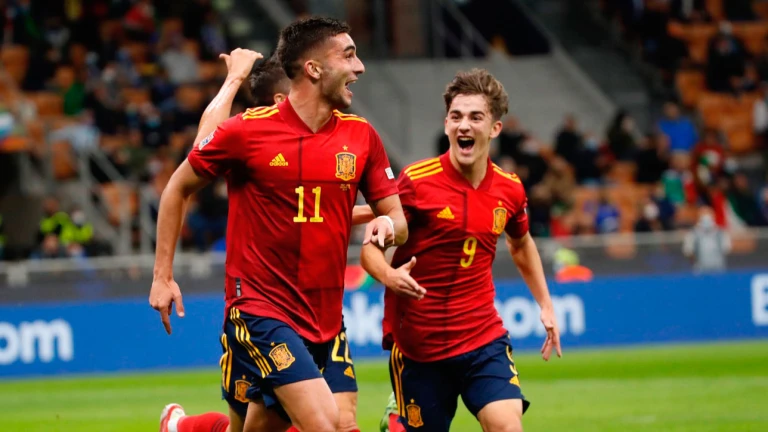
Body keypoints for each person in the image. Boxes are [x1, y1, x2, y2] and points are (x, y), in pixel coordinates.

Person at [150, 16, 407, 432]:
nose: (359, 67)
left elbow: (395, 216)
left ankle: (179, 427)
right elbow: (177, 187)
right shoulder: (247, 132)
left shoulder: (361, 137)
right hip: (260, 309)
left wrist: (389, 228)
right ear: (314, 69)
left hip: (323, 317)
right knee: (329, 423)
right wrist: (162, 276)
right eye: (348, 56)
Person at [355, 69, 562, 432]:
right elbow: (369, 249)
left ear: (495, 128)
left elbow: (521, 243)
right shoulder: (417, 182)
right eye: (456, 116)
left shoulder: (510, 189)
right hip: (420, 349)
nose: (464, 125)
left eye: (475, 117)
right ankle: (396, 417)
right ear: (447, 124)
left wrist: (545, 304)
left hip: (482, 337)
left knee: (507, 426)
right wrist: (389, 276)